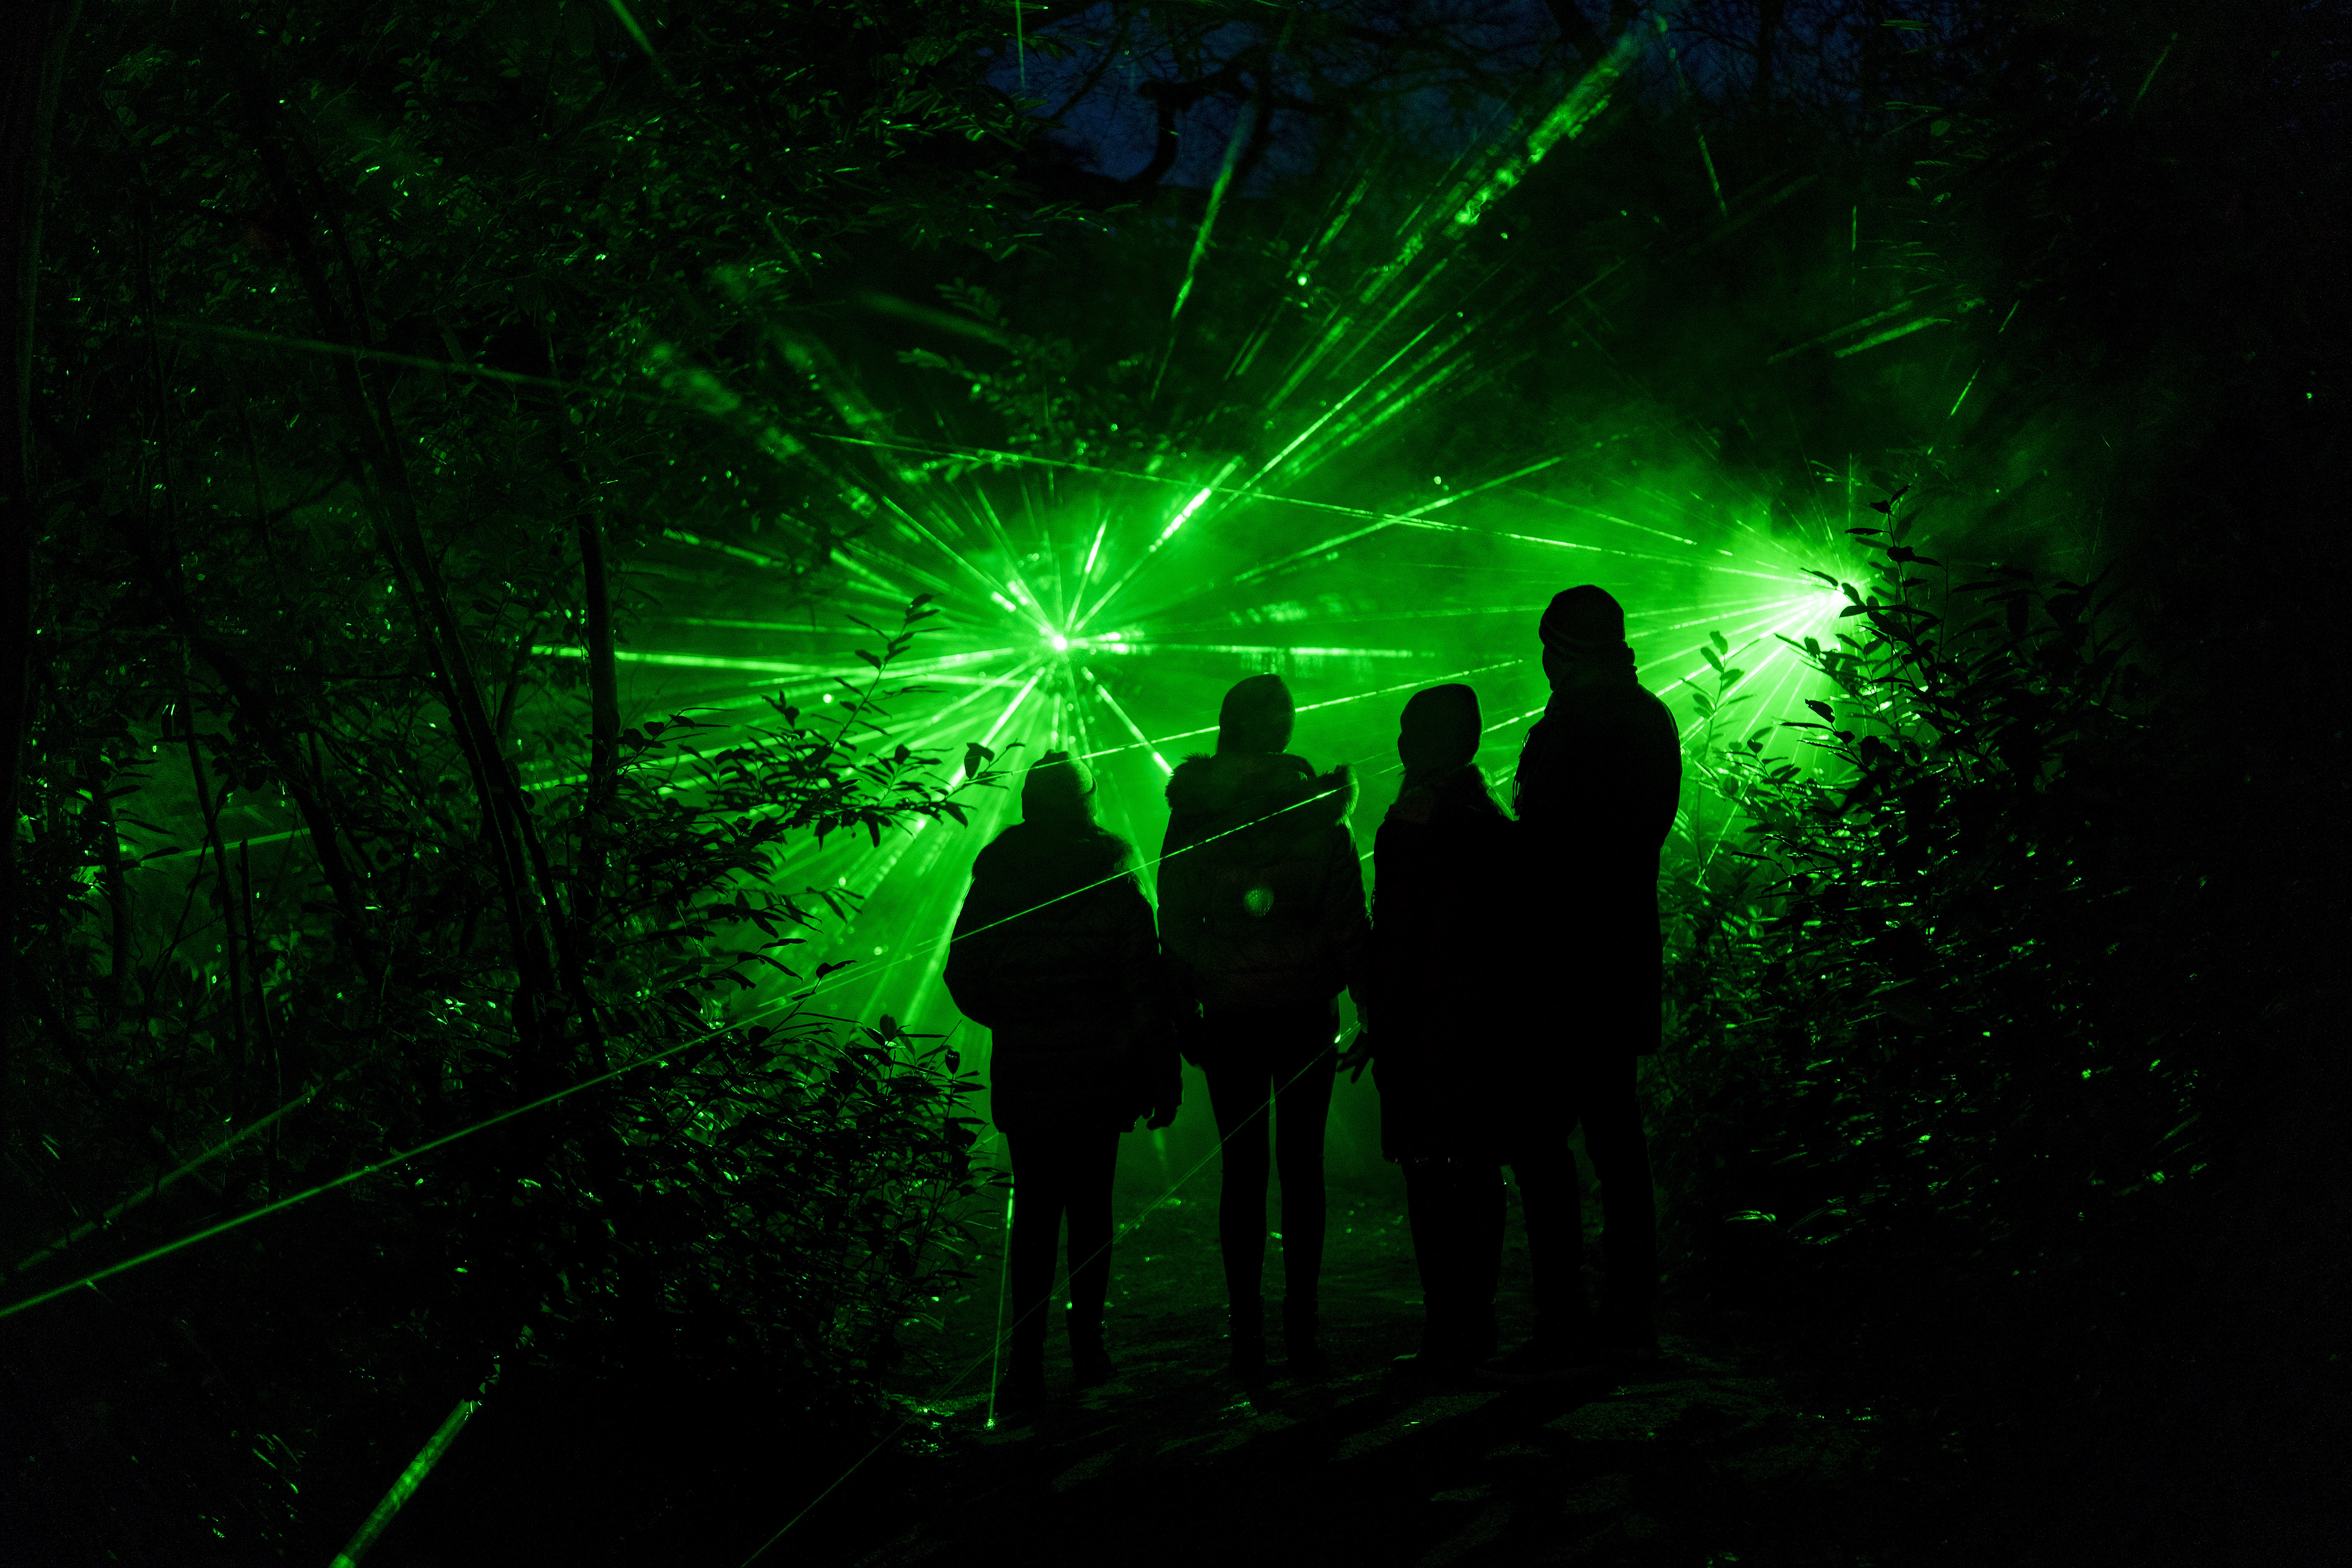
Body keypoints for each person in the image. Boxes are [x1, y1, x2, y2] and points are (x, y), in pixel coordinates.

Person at [944, 751, 1181, 1410]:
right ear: (1087, 799)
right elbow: (1142, 977)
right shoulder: (1112, 864)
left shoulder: (1000, 867)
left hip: (1028, 1064)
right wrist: (1158, 1065)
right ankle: (1088, 1348)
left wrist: (1015, 1018)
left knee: (1034, 1211)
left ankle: (1025, 1362)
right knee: (1090, 1208)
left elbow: (963, 968)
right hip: (1101, 1063)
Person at [1160, 673, 1367, 1381]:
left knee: (1241, 1173)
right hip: (1304, 1008)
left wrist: (1181, 1010)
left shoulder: (1194, 810)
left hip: (1229, 1011)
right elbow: (1347, 920)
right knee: (1302, 1170)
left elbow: (1175, 917)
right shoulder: (1319, 810)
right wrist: (1370, 1005)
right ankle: (1301, 1327)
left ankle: (1246, 1332)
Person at [1504, 585, 1682, 1371]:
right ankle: (1630, 1315)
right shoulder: (1651, 718)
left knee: (1540, 1140)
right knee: (1616, 1137)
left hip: (1557, 962)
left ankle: (1563, 1316)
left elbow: (1541, 844)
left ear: (1560, 649)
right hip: (1622, 953)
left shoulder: (1571, 724)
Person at [1353, 683, 1521, 1380]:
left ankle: (1444, 1326)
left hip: (1423, 1026)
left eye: (1410, 731)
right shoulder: (1494, 822)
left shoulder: (1414, 821)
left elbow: (1397, 935)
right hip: (1483, 1024)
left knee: (1428, 1174)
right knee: (1478, 1168)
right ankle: (1474, 1320)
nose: (1399, 743)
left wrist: (1380, 1019)